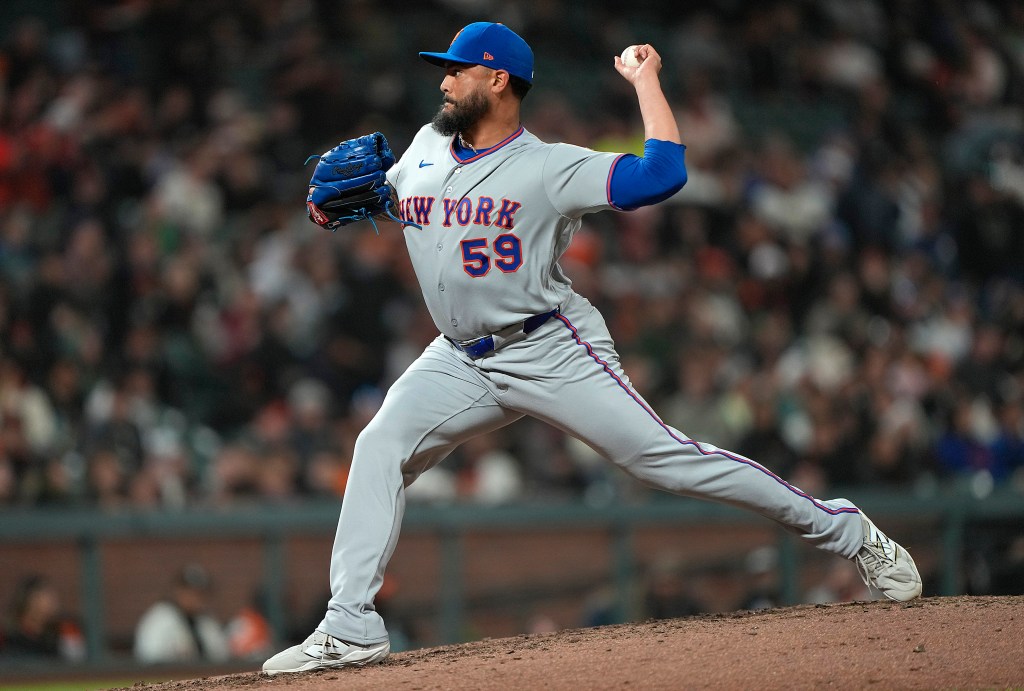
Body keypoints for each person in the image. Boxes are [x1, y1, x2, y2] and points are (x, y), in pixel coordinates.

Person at [262, 22, 922, 675]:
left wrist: (645, 80)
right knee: (378, 445)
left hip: (548, 347)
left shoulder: (549, 167)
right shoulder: (427, 145)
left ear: (498, 80)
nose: (446, 80)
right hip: (459, 357)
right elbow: (394, 196)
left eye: (459, 69)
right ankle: (350, 624)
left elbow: (662, 173)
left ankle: (847, 530)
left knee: (666, 461)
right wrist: (347, 203)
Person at [133, 564, 230, 664]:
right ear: (178, 590)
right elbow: (148, 657)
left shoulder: (207, 622)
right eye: (190, 592)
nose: (195, 598)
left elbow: (221, 655)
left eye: (201, 593)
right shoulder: (160, 618)